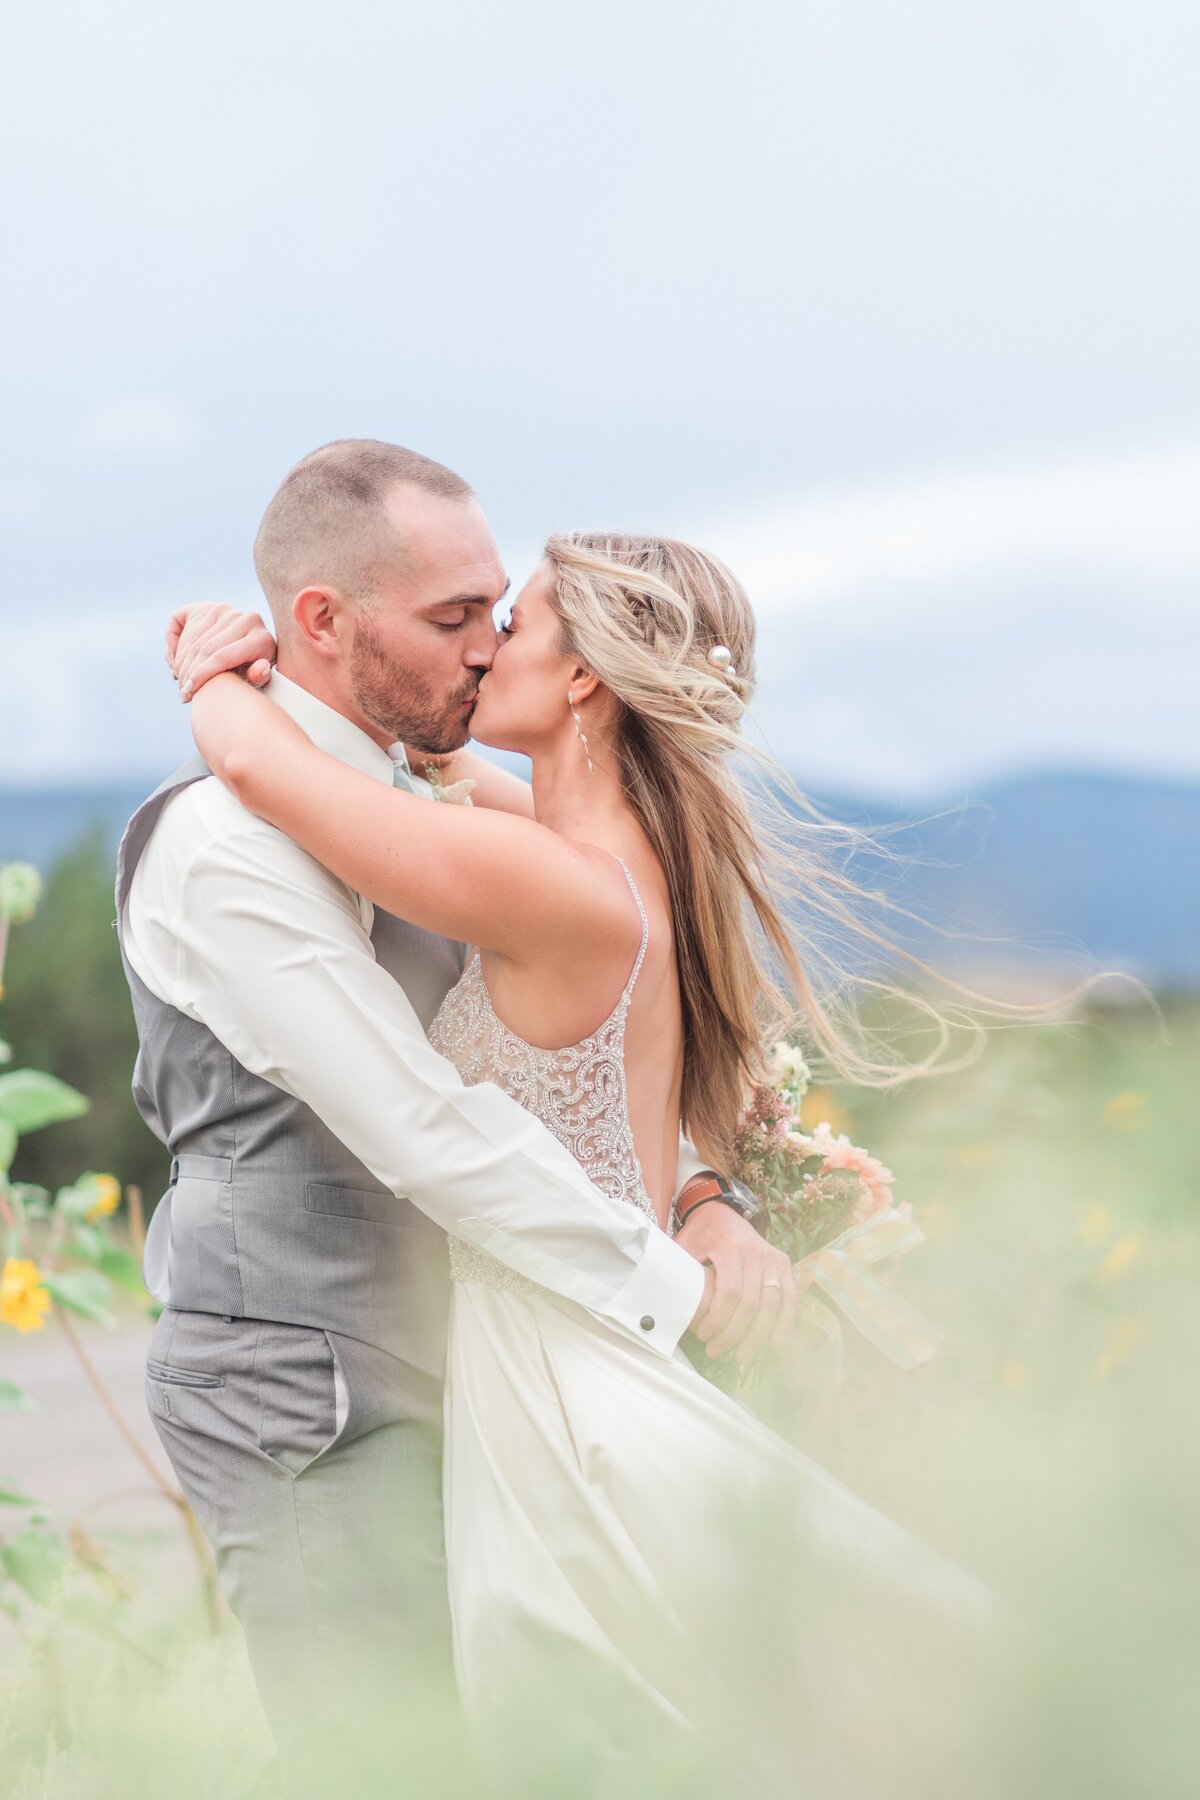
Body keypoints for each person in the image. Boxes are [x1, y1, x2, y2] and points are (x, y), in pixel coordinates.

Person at [171, 491, 1002, 1790]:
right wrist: (712, 1193)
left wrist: (207, 669)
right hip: (566, 1328)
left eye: (512, 622)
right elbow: (444, 785)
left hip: (559, 1352)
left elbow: (261, 773)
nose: (484, 646)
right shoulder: (598, 851)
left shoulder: (554, 882)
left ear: (581, 687)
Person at [119, 442, 789, 1799]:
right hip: (310, 1401)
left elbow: (607, 1043)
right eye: (451, 620)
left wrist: (704, 1195)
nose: (485, 651)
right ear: (323, 621)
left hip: (490, 1369)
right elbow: (424, 1126)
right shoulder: (226, 845)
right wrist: (666, 1281)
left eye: (499, 611)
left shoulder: (443, 811)